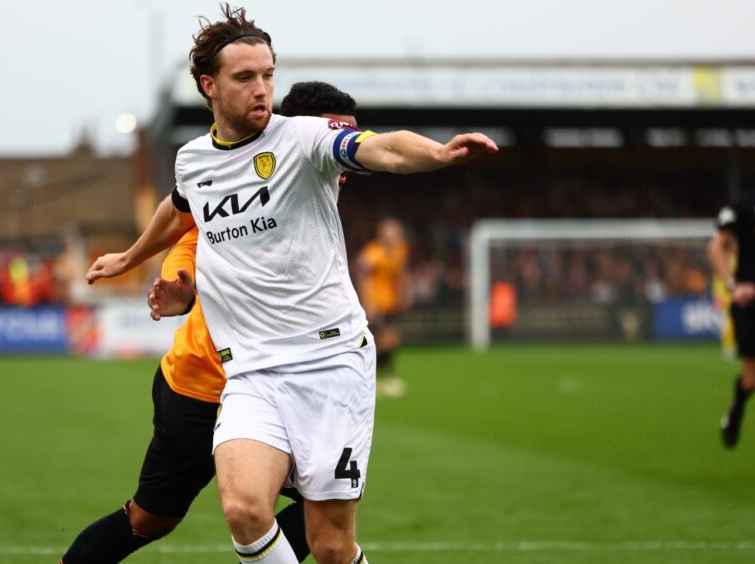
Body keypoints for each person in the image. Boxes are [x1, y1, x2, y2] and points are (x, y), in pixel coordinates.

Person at [85, 5, 498, 563]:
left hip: (329, 368)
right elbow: (178, 208)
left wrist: (439, 153)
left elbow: (378, 146)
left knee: (330, 545)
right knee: (244, 510)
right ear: (208, 86)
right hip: (251, 371)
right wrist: (131, 257)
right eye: (245, 77)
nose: (262, 89)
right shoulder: (194, 161)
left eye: (268, 75)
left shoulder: (302, 138)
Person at [60, 80, 357, 564]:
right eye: (333, 136)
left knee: (328, 507)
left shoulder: (318, 195)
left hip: (284, 385)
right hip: (203, 386)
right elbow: (192, 239)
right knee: (149, 519)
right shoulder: (244, 180)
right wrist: (180, 286)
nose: (342, 153)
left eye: (349, 139)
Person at [709, 196, 755, 448]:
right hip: (749, 302)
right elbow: (717, 246)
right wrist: (732, 285)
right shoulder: (743, 207)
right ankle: (736, 409)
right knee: (751, 378)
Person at [356, 217, 411, 397]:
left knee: (389, 339)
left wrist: (404, 294)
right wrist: (367, 301)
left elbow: (402, 274)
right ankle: (369, 374)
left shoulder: (400, 250)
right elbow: (362, 275)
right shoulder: (372, 252)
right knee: (379, 339)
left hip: (390, 303)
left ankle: (382, 377)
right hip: (376, 303)